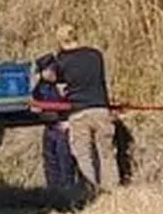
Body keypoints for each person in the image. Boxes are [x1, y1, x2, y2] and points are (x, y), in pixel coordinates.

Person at [54, 24, 116, 194]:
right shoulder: (95, 55)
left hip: (78, 113)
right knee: (107, 154)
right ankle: (113, 193)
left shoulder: (61, 61)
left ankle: (91, 193)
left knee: (84, 156)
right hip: (101, 109)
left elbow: (59, 85)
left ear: (60, 41)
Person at [31, 53, 76, 192]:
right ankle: (53, 191)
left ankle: (67, 191)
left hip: (64, 125)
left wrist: (69, 121)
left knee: (65, 161)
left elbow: (74, 102)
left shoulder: (64, 83)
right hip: (50, 126)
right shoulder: (42, 86)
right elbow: (31, 100)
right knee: (50, 161)